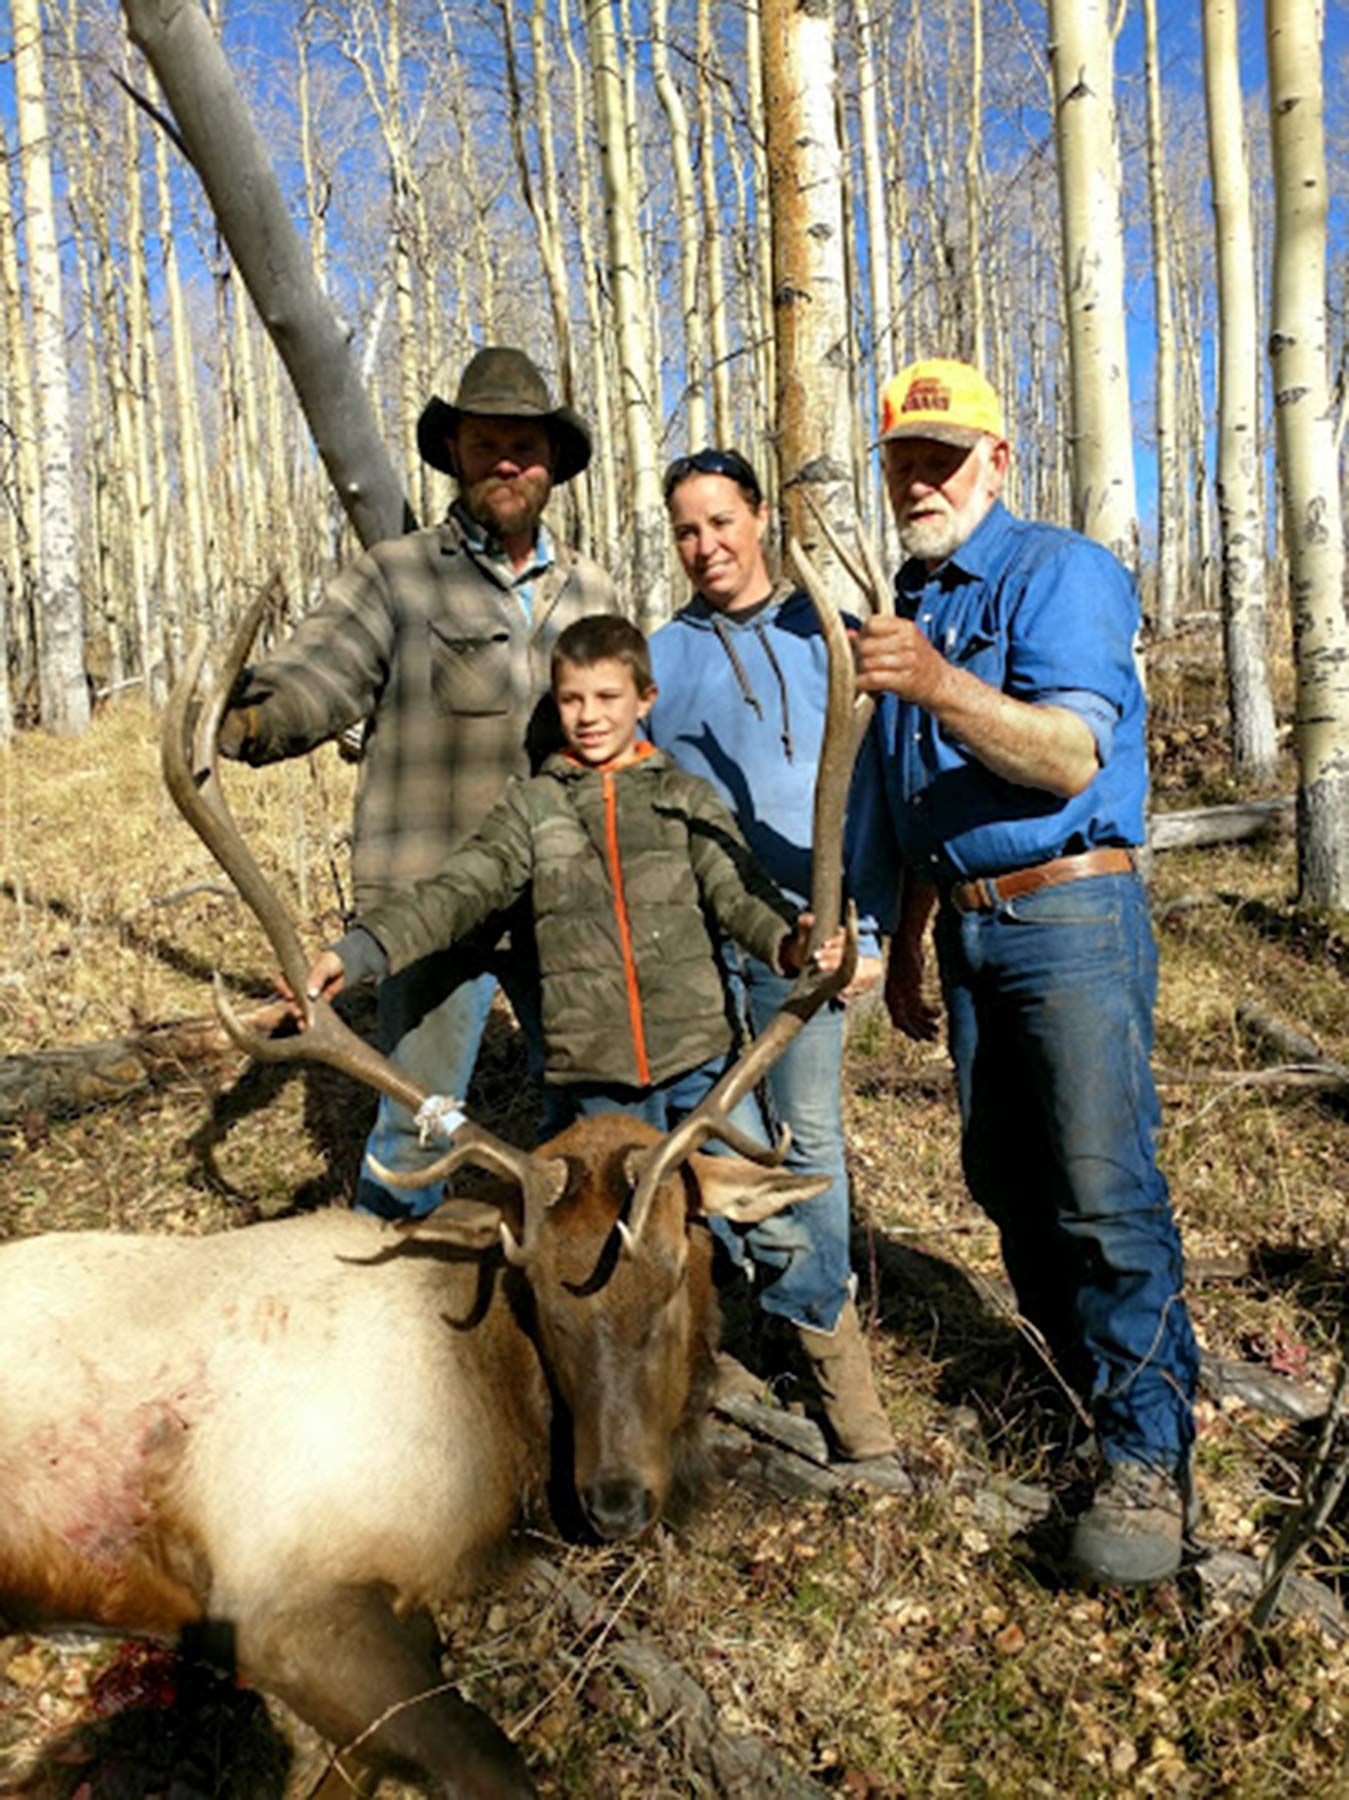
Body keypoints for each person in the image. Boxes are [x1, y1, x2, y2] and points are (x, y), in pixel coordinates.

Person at [854, 356, 1199, 1585]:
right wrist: (903, 945)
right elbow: (912, 801)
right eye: (900, 459)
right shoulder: (916, 596)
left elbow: (1061, 758)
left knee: (1103, 1193)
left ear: (997, 462)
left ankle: (1149, 1455)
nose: (919, 479)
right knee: (1004, 1180)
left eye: (942, 459)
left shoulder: (1058, 574)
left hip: (1070, 920)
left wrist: (936, 683)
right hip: (967, 928)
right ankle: (1078, 1387)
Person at [220, 346, 618, 1215]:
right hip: (430, 905)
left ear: (552, 463)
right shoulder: (396, 575)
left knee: (587, 1113)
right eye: (485, 446)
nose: (505, 463)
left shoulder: (589, 587)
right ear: (455, 456)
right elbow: (320, 674)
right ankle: (380, 1292)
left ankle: (567, 1301)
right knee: (416, 1122)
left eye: (523, 446)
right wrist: (252, 717)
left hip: (563, 899)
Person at [298, 615, 844, 1134]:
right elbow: (456, 892)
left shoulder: (684, 798)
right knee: (619, 1222)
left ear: (645, 700)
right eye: (571, 699)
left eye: (608, 697)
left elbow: (740, 894)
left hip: (700, 1064)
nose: (589, 716)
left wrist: (790, 941)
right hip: (597, 1077)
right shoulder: (534, 807)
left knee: (747, 1217)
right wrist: (360, 951)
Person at [645, 447, 898, 1465]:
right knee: (719, 1138)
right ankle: (751, 1322)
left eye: (719, 521)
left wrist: (869, 929)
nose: (705, 545)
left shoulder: (828, 635)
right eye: (684, 531)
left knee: (808, 1148)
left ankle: (840, 1382)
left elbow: (879, 792)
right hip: (701, 940)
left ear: (757, 518)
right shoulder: (659, 655)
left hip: (815, 939)